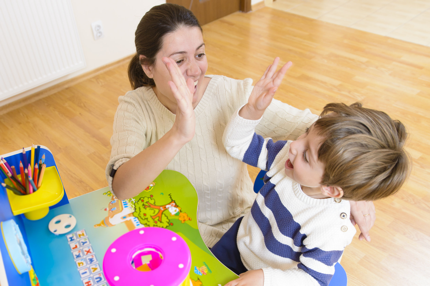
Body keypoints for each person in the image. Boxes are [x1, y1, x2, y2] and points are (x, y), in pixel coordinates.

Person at [106, 3, 375, 248]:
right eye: (179, 60)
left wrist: (353, 187)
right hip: (170, 235)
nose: (195, 70)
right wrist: (178, 134)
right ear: (147, 66)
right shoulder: (135, 107)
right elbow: (122, 188)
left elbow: (322, 129)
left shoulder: (233, 94)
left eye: (199, 54)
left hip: (242, 234)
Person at [211, 73, 410, 285]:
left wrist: (264, 278)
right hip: (237, 246)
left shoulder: (330, 228)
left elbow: (313, 279)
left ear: (331, 190)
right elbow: (237, 145)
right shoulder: (284, 156)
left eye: (306, 155)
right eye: (306, 133)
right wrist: (253, 110)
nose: (294, 145)